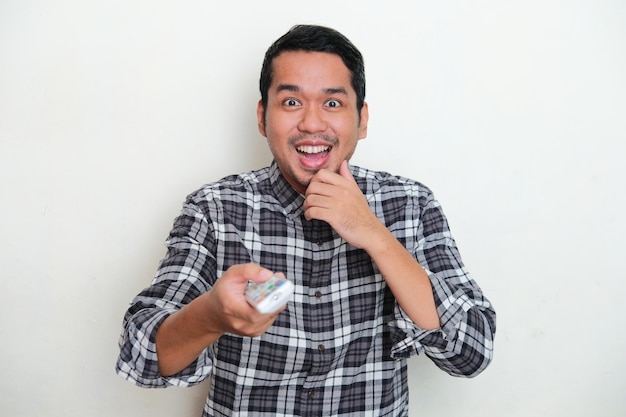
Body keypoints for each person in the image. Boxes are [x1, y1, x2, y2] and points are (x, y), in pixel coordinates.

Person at [116, 24, 496, 416]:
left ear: (362, 120)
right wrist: (211, 314)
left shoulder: (410, 204)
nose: (312, 124)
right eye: (291, 103)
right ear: (263, 117)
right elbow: (142, 355)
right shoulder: (214, 209)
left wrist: (374, 235)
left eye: (332, 104)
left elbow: (471, 352)